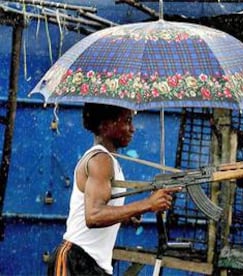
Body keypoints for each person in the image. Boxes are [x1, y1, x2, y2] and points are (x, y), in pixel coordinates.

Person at [48, 103, 181, 275]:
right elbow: (94, 216)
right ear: (105, 125)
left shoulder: (109, 160)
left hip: (91, 264)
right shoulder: (100, 160)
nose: (132, 129)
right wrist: (147, 204)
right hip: (75, 262)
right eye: (127, 121)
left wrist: (126, 215)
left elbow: (97, 209)